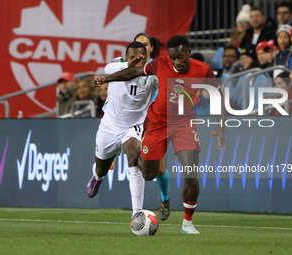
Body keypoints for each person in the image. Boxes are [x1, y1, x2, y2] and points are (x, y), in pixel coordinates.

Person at [93, 35, 226, 234]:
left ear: (189, 53)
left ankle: (187, 224)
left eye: (180, 57)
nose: (176, 62)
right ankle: (120, 165)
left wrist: (221, 128)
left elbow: (218, 96)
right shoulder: (159, 64)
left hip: (184, 124)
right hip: (157, 123)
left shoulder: (202, 69)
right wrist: (106, 79)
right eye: (173, 58)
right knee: (148, 174)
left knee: (191, 174)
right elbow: (133, 72)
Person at [86, 42, 159, 219]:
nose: (136, 60)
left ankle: (137, 214)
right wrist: (129, 64)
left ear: (147, 58)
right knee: (102, 169)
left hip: (133, 127)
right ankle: (97, 175)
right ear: (125, 57)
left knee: (134, 155)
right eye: (132, 57)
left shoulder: (152, 75)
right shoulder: (115, 65)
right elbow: (107, 67)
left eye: (140, 57)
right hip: (109, 126)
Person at [133, 33, 170, 220]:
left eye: (145, 44)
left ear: (151, 48)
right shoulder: (125, 67)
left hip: (155, 121)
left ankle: (165, 198)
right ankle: (136, 208)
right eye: (138, 44)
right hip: (132, 122)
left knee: (160, 170)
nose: (141, 47)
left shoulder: (158, 67)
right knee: (133, 154)